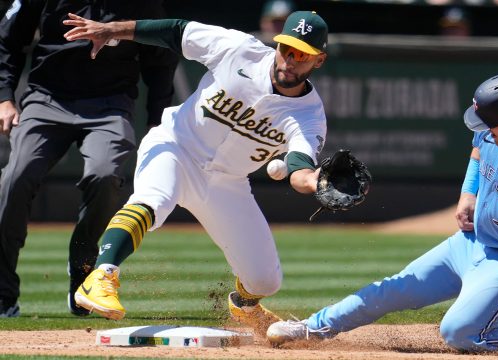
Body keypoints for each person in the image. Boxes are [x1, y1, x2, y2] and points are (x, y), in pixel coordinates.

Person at [267, 73, 498, 355]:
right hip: (470, 243)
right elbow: (478, 148)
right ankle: (313, 327)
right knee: (393, 288)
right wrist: (468, 193)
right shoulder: (497, 127)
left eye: (490, 125)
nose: (484, 130)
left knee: (459, 333)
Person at [62, 10, 329, 336]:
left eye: (303, 55)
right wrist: (110, 29)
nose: (291, 60)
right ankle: (102, 276)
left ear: (319, 60)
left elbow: (300, 170)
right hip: (176, 147)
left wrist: (317, 181)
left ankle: (244, 306)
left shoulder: (309, 115)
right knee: (153, 201)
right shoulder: (238, 49)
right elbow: (177, 31)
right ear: (277, 45)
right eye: (287, 48)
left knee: (265, 280)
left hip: (226, 183)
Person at [0, 1, 178, 318]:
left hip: (110, 104)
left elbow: (161, 58)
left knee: (105, 176)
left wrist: (156, 121)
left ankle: (84, 268)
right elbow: (7, 40)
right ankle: (3, 295)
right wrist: (4, 97)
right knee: (14, 179)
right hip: (46, 99)